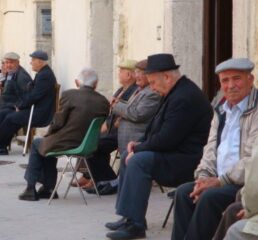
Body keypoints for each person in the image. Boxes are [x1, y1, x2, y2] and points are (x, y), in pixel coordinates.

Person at [106, 53, 213, 240]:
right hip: (175, 153)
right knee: (128, 156)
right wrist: (138, 144)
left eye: (153, 82)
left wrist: (139, 149)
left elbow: (167, 139)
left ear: (167, 77)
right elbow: (156, 128)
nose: (152, 88)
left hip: (188, 159)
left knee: (139, 161)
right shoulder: (174, 90)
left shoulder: (184, 97)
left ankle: (136, 226)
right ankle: (130, 217)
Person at [171, 58, 258, 240]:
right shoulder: (221, 110)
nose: (231, 85)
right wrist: (203, 178)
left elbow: (252, 160)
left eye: (237, 78)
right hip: (217, 179)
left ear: (250, 80)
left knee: (209, 197)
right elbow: (210, 148)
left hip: (244, 184)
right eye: (225, 81)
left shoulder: (255, 110)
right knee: (184, 193)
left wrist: (220, 181)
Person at [18, 67, 110, 201]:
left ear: (77, 82)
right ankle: (48, 189)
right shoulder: (103, 101)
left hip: (69, 142)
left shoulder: (69, 95)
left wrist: (49, 134)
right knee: (48, 144)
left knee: (38, 143)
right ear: (95, 84)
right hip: (88, 145)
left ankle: (31, 188)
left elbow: (58, 122)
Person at [87, 59, 161, 196]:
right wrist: (123, 112)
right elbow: (130, 110)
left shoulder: (151, 93)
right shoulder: (140, 90)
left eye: (140, 73)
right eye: (136, 72)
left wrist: (117, 107)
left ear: (150, 75)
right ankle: (109, 183)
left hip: (136, 137)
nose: (137, 76)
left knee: (95, 147)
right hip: (124, 136)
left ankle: (110, 183)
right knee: (94, 145)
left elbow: (137, 113)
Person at [0, 50, 57, 156]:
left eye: (33, 60)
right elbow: (32, 93)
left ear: (40, 61)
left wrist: (20, 106)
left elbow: (34, 96)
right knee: (7, 115)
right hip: (35, 109)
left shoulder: (44, 75)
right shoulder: (42, 73)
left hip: (40, 113)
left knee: (10, 117)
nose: (30, 62)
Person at [74, 59, 138, 190]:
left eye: (121, 71)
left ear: (129, 74)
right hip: (111, 129)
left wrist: (112, 123)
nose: (118, 73)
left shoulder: (134, 91)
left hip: (120, 132)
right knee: (88, 139)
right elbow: (111, 110)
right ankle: (94, 177)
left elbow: (127, 112)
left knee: (93, 147)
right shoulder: (121, 89)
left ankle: (108, 180)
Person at [224, 137, 258, 240]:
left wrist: (250, 210)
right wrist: (203, 176)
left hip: (232, 180)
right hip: (219, 177)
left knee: (235, 231)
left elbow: (254, 187)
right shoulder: (218, 120)